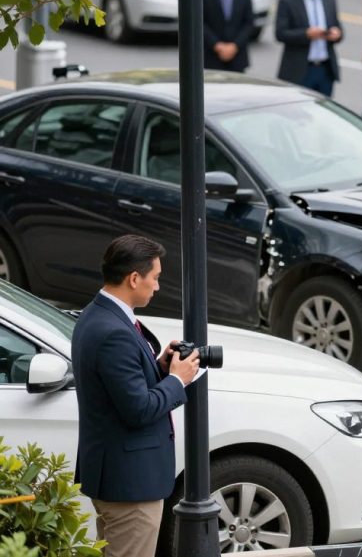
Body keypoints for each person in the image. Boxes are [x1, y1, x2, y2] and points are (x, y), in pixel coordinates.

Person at [72, 235, 200, 557]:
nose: (156, 286)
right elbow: (138, 409)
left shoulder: (95, 314)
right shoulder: (113, 331)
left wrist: (158, 365)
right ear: (133, 278)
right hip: (130, 485)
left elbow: (119, 385)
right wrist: (176, 380)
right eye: (154, 278)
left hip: (115, 475)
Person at [275, 0, 344, 96]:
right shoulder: (288, 0)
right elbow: (280, 34)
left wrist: (336, 34)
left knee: (323, 112)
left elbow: (339, 30)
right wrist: (306, 34)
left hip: (325, 69)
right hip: (300, 69)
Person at [202, 0, 255, 73]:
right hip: (211, 56)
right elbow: (200, 22)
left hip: (237, 56)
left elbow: (249, 22)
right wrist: (216, 45)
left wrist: (235, 45)